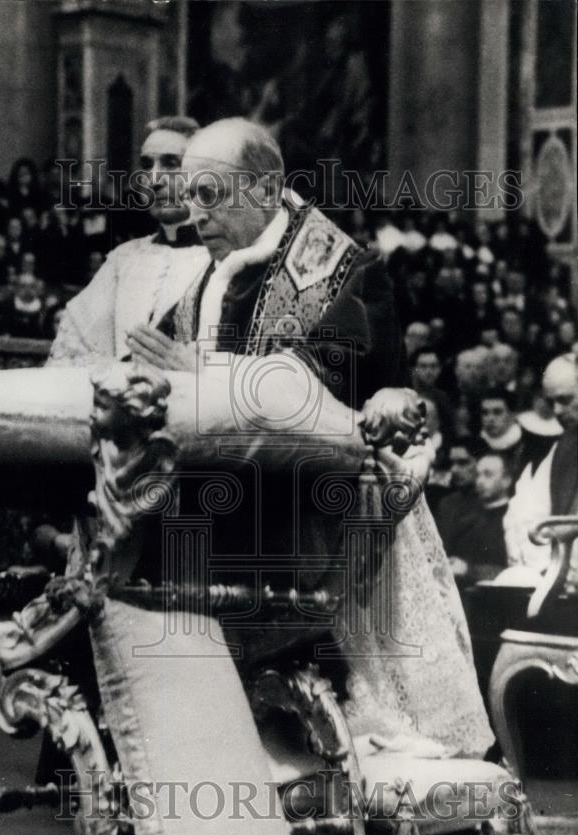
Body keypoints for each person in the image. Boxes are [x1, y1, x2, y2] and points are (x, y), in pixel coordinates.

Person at [126, 117, 492, 757]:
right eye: (190, 197)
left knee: (332, 741)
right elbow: (154, 364)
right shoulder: (208, 279)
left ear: (266, 189)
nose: (195, 214)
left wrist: (202, 374)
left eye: (210, 194)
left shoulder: (344, 271)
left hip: (315, 525)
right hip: (217, 515)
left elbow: (319, 385)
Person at [48, 116, 209, 364]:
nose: (154, 179)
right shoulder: (124, 259)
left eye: (170, 163)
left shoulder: (227, 260)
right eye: (147, 166)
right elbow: (74, 348)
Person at [502, 354, 578, 584]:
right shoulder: (563, 449)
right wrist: (547, 569)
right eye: (551, 401)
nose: (556, 410)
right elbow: (524, 513)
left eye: (565, 400)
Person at [441, 451, 512, 586]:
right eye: (478, 475)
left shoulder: (513, 518)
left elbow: (514, 571)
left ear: (506, 480)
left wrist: (468, 570)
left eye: (488, 475)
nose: (479, 481)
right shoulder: (468, 518)